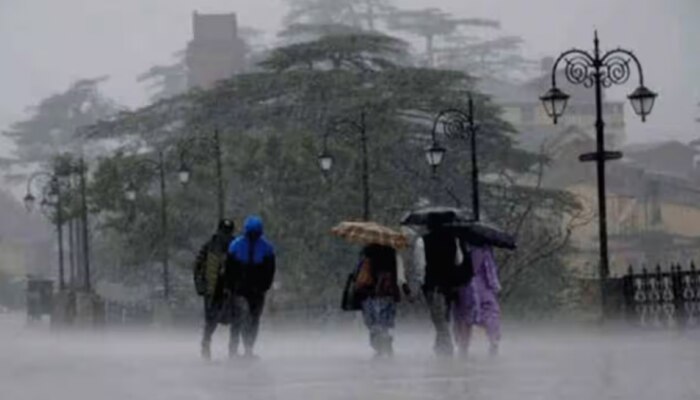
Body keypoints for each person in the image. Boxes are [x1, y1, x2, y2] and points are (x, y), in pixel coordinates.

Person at [413, 216, 465, 357]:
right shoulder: (454, 240)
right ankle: (440, 347)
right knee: (444, 318)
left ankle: (446, 351)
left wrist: (420, 283)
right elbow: (459, 261)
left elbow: (420, 266)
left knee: (439, 319)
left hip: (433, 285)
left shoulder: (422, 241)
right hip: (449, 285)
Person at [225, 215, 276, 359]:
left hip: (245, 289)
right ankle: (244, 348)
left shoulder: (236, 245)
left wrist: (230, 286)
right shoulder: (266, 248)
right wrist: (264, 286)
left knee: (245, 318)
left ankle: (241, 348)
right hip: (249, 289)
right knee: (250, 319)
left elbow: (229, 269)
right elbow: (270, 271)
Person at [354, 244, 410, 358]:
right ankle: (386, 343)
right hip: (389, 293)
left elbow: (358, 274)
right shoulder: (393, 253)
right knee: (385, 323)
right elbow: (400, 276)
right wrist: (406, 289)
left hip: (370, 294)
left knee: (373, 323)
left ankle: (379, 347)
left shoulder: (366, 252)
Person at [193, 219, 236, 360]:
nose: (226, 235)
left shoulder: (236, 246)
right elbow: (198, 266)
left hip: (228, 288)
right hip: (214, 289)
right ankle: (208, 346)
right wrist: (200, 286)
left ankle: (231, 350)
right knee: (213, 320)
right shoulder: (209, 246)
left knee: (233, 320)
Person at [452, 244, 502, 357]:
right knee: (490, 315)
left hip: (464, 287)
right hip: (483, 288)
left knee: (464, 317)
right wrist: (495, 286)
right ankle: (493, 342)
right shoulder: (484, 249)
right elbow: (489, 270)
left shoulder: (458, 246)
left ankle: (463, 348)